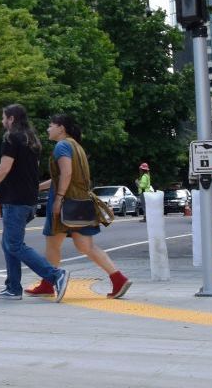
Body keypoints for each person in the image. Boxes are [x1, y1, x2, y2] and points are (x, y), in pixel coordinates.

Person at [0, 104, 70, 302]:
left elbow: (4, 167)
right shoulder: (31, 140)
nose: (2, 122)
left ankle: (55, 275)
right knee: (8, 242)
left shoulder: (11, 138)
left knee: (14, 244)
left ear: (12, 119)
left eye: (3, 118)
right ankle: (13, 287)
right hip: (29, 199)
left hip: (15, 199)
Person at [34, 114, 130, 299]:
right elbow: (64, 176)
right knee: (86, 246)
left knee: (53, 243)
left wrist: (59, 198)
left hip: (66, 203)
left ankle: (48, 284)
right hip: (81, 202)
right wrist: (38, 187)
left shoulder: (61, 146)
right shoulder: (76, 146)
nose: (48, 129)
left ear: (61, 128)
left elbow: (66, 173)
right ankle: (118, 279)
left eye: (51, 125)